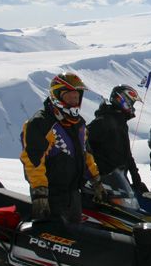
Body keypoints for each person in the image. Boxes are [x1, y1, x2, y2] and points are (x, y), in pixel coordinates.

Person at [20, 72, 102, 224]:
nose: (74, 100)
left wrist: (96, 181)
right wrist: (40, 193)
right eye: (69, 97)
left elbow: (86, 155)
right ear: (56, 96)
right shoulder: (40, 123)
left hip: (73, 193)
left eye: (76, 97)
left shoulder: (79, 124)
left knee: (76, 239)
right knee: (54, 240)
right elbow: (33, 161)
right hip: (50, 195)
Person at [87, 85, 148, 199]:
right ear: (122, 99)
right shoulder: (103, 121)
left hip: (118, 180)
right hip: (102, 182)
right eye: (131, 103)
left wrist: (136, 179)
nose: (132, 107)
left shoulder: (120, 122)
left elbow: (127, 154)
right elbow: (82, 142)